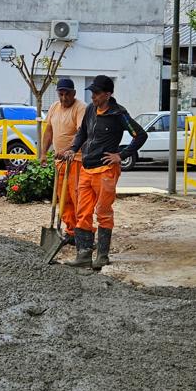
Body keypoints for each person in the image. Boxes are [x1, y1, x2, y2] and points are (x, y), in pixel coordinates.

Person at [63, 75, 148, 270]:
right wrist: (73, 149)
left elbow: (140, 135)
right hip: (87, 167)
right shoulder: (91, 110)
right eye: (92, 93)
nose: (93, 96)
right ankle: (83, 254)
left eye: (97, 93)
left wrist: (122, 154)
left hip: (106, 170)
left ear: (108, 94)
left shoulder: (119, 114)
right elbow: (82, 132)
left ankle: (102, 255)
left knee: (102, 211)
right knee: (82, 212)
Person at [39, 78, 86, 249]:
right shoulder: (54, 107)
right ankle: (71, 230)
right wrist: (44, 153)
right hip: (60, 161)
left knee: (76, 197)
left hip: (76, 160)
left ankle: (82, 232)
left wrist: (68, 150)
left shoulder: (80, 108)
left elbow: (82, 132)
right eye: (61, 93)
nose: (64, 97)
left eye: (67, 93)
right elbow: (49, 130)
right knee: (63, 197)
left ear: (74, 93)